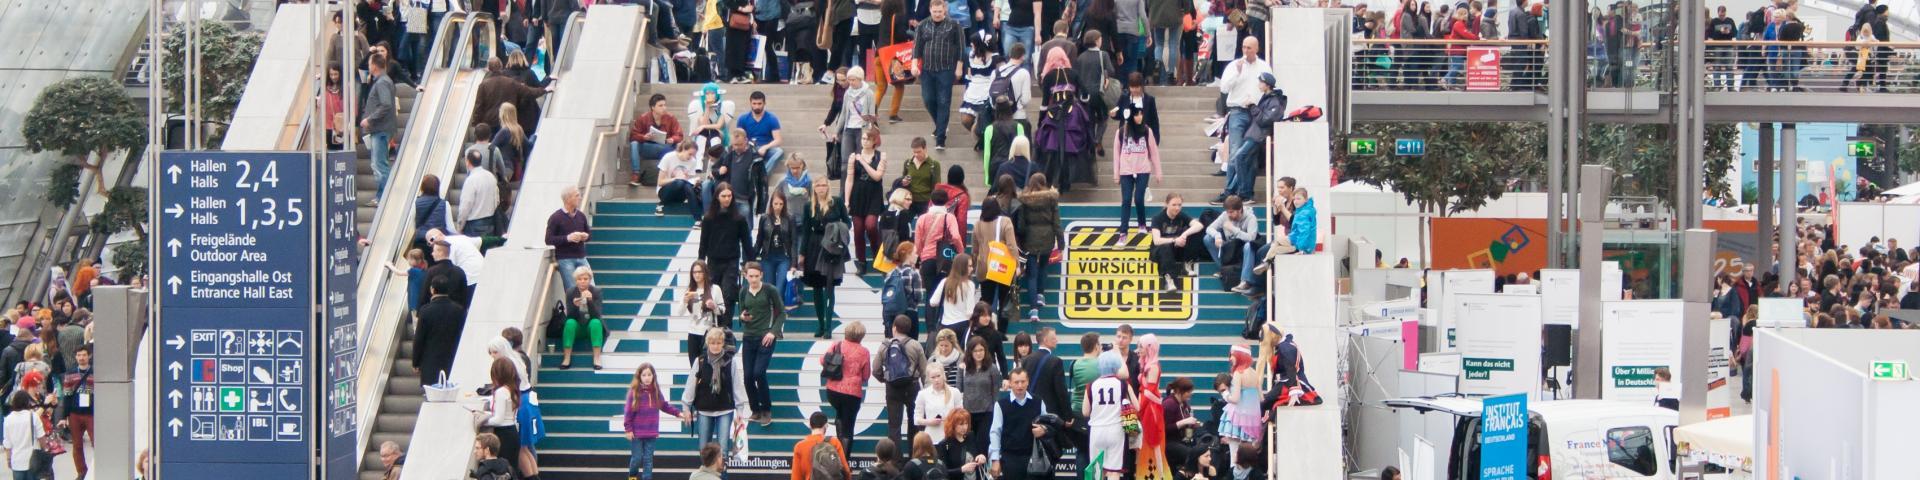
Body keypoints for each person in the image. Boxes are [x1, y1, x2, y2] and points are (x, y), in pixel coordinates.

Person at [1213, 37, 1268, 205]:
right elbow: (1224, 88)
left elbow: (1269, 88)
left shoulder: (1264, 67)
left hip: (1255, 112)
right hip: (1237, 111)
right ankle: (1231, 192)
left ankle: (1246, 193)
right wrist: (1237, 72)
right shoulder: (1233, 66)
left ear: (1256, 49)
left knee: (1250, 153)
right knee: (1235, 152)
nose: (1246, 50)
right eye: (1244, 47)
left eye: (1249, 47)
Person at [683, 327, 750, 459]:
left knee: (723, 450)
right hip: (704, 409)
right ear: (708, 343)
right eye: (712, 343)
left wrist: (740, 410)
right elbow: (691, 385)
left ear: (723, 343)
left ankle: (721, 472)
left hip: (725, 409)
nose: (715, 346)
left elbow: (737, 386)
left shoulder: (730, 362)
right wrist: (686, 407)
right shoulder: (700, 361)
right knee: (704, 449)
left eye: (718, 343)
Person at [801, 177, 852, 334]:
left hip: (831, 246)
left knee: (830, 287)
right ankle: (821, 324)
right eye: (818, 185)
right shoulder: (809, 206)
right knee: (817, 286)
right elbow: (805, 230)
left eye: (824, 185)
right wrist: (802, 253)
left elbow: (848, 222)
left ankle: (829, 326)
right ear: (814, 188)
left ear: (828, 187)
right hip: (814, 245)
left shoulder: (837, 202)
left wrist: (835, 227)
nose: (821, 188)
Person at [737, 262, 785, 425]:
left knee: (758, 373)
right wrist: (742, 317)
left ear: (761, 275)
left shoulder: (770, 290)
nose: (754, 279)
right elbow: (741, 312)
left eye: (756, 276)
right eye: (751, 276)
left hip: (765, 336)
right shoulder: (743, 291)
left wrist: (773, 332)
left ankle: (766, 409)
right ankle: (755, 410)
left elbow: (782, 313)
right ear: (746, 276)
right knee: (748, 376)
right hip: (749, 336)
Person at [700, 182, 755, 324]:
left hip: (731, 261)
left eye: (729, 196)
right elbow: (703, 242)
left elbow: (747, 242)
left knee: (728, 295)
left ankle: (726, 327)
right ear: (717, 197)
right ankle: (714, 327)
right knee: (713, 295)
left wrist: (752, 263)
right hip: (713, 261)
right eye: (723, 196)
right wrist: (700, 262)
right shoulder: (708, 218)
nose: (727, 199)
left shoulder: (739, 219)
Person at [915, 0, 967, 149]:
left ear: (944, 10)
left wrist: (959, 68)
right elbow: (916, 47)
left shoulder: (954, 25)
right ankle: (941, 125)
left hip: (946, 69)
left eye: (940, 11)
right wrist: (914, 65)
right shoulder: (922, 25)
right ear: (930, 10)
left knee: (944, 101)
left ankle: (941, 138)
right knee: (928, 99)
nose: (937, 14)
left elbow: (961, 48)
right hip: (927, 69)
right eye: (935, 11)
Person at [988, 368, 1054, 480]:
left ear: (1028, 381)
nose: (1020, 385)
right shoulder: (1001, 405)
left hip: (1035, 458)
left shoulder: (1038, 402)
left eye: (1023, 381)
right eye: (1016, 382)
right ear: (1010, 383)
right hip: (1010, 459)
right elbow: (995, 433)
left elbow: (1048, 425)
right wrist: (995, 459)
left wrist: (1044, 429)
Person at [875, 315, 929, 445]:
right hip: (912, 386)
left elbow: (875, 369)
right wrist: (927, 390)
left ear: (894, 327)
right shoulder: (916, 345)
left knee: (894, 426)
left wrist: (885, 379)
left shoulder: (885, 346)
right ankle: (914, 453)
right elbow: (925, 371)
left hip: (892, 388)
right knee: (914, 422)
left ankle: (895, 456)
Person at [624, 362, 681, 480]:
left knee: (648, 460)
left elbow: (664, 406)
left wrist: (677, 413)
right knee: (637, 458)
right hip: (637, 434)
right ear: (639, 376)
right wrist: (628, 429)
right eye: (644, 375)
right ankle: (632, 476)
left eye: (649, 375)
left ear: (653, 376)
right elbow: (628, 412)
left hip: (651, 433)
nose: (647, 378)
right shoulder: (634, 392)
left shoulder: (656, 392)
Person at [1112, 102, 1162, 233]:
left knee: (1139, 198)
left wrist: (1158, 172)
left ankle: (1142, 224)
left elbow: (1154, 152)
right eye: (1136, 114)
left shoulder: (1147, 131)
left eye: (1141, 114)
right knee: (1126, 200)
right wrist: (1116, 174)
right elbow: (1116, 154)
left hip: (1143, 170)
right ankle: (1123, 231)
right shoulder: (1121, 132)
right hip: (1126, 171)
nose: (1139, 117)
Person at [847, 129, 890, 274]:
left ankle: (878, 257)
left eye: (867, 139)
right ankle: (861, 261)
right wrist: (846, 200)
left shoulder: (881, 156)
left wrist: (863, 162)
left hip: (874, 194)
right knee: (858, 230)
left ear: (874, 142)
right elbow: (849, 179)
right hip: (857, 194)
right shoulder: (853, 156)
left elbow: (877, 176)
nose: (864, 142)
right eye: (863, 139)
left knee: (871, 226)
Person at [826, 321, 874, 448]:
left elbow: (822, 360)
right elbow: (866, 375)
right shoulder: (864, 352)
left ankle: (839, 427)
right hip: (852, 394)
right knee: (848, 428)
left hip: (832, 391)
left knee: (840, 412)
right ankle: (844, 459)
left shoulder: (837, 345)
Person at [412, 276, 465, 388]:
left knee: (431, 394)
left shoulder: (425, 311)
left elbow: (419, 339)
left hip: (430, 362)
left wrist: (416, 362)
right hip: (453, 360)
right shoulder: (459, 310)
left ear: (432, 289)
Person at [972, 200, 1021, 319]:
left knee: (986, 301)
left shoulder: (977, 224)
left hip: (984, 266)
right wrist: (1017, 265)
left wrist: (974, 265)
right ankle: (1002, 327)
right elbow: (1011, 246)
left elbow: (975, 249)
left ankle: (985, 325)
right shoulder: (1005, 221)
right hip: (1002, 266)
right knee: (1004, 301)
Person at [1085, 351, 1131, 478]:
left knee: (1097, 470)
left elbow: (1085, 412)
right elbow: (1128, 405)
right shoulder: (1122, 384)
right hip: (1116, 430)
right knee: (1114, 471)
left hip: (1096, 430)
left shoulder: (1091, 385)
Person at [474, 357, 524, 473]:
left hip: (503, 435)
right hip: (512, 432)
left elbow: (499, 419)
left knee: (502, 471)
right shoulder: (512, 389)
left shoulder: (501, 392)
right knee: (511, 470)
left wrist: (483, 420)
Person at [825, 67, 877, 176]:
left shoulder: (869, 93)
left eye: (853, 80)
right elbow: (843, 114)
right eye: (849, 80)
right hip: (848, 129)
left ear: (860, 79)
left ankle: (858, 185)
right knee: (845, 161)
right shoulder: (847, 93)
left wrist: (870, 130)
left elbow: (872, 114)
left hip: (862, 130)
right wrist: (836, 131)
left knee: (860, 160)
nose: (851, 82)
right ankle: (844, 186)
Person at [362, 53, 399, 198]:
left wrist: (369, 119)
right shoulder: (384, 81)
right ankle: (380, 195)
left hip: (381, 129)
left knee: (379, 164)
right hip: (382, 128)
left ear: (374, 66)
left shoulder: (382, 82)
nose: (368, 66)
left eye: (369, 63)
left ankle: (385, 197)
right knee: (378, 164)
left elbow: (386, 105)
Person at [914, 188, 968, 287]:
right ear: (946, 200)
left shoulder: (922, 218)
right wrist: (961, 251)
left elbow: (918, 243)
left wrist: (920, 255)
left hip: (927, 259)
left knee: (930, 293)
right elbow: (956, 237)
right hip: (944, 259)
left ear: (931, 200)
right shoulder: (949, 217)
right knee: (944, 292)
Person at [1148, 193, 1205, 287]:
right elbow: (1156, 241)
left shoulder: (1181, 215)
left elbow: (1199, 226)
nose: (1177, 208)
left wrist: (1184, 235)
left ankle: (1187, 264)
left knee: (1194, 232)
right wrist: (1174, 240)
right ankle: (1169, 279)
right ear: (1166, 204)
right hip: (1160, 251)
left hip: (1176, 249)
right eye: (1174, 205)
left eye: (1179, 205)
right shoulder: (1157, 218)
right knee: (1165, 247)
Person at [959, 335, 1002, 455]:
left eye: (981, 350)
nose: (978, 353)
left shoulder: (992, 368)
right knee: (969, 446)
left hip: (986, 412)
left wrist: (994, 410)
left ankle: (982, 466)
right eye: (975, 351)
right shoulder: (963, 368)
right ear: (970, 352)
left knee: (982, 444)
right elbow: (959, 389)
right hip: (968, 412)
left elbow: (996, 390)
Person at [1205, 196, 1261, 289]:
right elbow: (1209, 228)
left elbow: (1251, 238)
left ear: (1240, 210)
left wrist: (1233, 229)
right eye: (1227, 212)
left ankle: (1245, 281)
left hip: (1242, 250)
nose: (1229, 215)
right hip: (1229, 248)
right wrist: (1217, 236)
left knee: (1249, 245)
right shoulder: (1225, 215)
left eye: (1231, 212)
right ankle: (1224, 270)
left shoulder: (1251, 218)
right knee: (1208, 238)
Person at [630, 94, 686, 186]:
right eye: (660, 105)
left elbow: (679, 135)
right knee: (634, 144)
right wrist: (644, 137)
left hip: (665, 148)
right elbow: (633, 135)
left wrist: (672, 139)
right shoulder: (643, 118)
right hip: (649, 148)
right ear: (653, 107)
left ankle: (673, 173)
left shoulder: (671, 118)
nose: (664, 108)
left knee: (678, 146)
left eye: (664, 105)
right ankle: (635, 174)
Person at [678, 261, 727, 364]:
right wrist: (685, 301)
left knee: (707, 365)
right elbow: (680, 312)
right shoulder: (689, 290)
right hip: (693, 332)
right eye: (694, 272)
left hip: (709, 333)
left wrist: (714, 306)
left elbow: (722, 310)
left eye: (700, 272)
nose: (697, 275)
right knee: (694, 365)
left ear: (705, 273)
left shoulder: (715, 289)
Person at [738, 91, 788, 192]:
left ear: (764, 103)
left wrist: (765, 147)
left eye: (759, 103)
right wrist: (748, 146)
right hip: (750, 148)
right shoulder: (743, 119)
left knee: (779, 152)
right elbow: (739, 138)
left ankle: (762, 175)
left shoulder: (771, 118)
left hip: (767, 148)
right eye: (754, 103)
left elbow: (778, 140)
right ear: (750, 103)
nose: (757, 106)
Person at [558, 267, 606, 370]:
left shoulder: (596, 291)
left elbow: (597, 315)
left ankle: (597, 358)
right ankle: (566, 358)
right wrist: (575, 306)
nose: (582, 281)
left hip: (590, 326)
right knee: (570, 323)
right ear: (576, 281)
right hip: (578, 326)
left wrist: (590, 301)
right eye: (579, 279)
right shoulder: (570, 292)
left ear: (590, 280)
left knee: (596, 322)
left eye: (585, 279)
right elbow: (570, 316)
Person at [757, 192, 798, 312]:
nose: (778, 206)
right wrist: (751, 257)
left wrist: (793, 263)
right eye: (775, 204)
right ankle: (771, 314)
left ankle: (777, 315)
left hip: (784, 257)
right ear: (771, 204)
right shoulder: (764, 218)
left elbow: (794, 242)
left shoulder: (790, 218)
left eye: (781, 204)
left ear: (784, 204)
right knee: (769, 288)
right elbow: (759, 240)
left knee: (779, 288)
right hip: (768, 257)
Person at [929, 253, 979, 344]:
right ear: (962, 267)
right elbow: (970, 311)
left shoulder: (945, 281)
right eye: (969, 266)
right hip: (962, 324)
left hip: (945, 324)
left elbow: (933, 302)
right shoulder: (970, 285)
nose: (972, 269)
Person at [880, 242, 927, 340]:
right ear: (908, 255)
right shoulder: (914, 273)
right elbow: (919, 296)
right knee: (910, 344)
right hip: (909, 313)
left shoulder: (890, 273)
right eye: (914, 253)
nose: (917, 255)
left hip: (892, 314)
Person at [546, 186, 593, 279]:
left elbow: (589, 235)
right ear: (568, 199)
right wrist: (568, 238)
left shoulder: (581, 216)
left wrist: (586, 236)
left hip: (582, 257)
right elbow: (548, 240)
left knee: (590, 286)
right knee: (572, 286)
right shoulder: (556, 217)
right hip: (565, 259)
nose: (580, 198)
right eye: (577, 196)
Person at [915, 363, 965, 444]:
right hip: (931, 438)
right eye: (933, 377)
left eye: (938, 376)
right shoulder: (923, 394)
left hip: (951, 437)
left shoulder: (955, 392)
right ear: (929, 378)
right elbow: (917, 419)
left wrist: (950, 420)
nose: (936, 380)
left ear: (943, 375)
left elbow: (961, 415)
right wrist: (930, 422)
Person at [655, 140, 707, 218]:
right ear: (683, 149)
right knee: (679, 182)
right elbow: (660, 182)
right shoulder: (669, 157)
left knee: (687, 185)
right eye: (690, 154)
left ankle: (697, 219)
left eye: (694, 155)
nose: (691, 157)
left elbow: (686, 181)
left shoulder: (692, 161)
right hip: (665, 192)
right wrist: (676, 178)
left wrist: (694, 182)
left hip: (680, 195)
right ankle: (660, 204)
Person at [793, 412, 851, 480]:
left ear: (809, 425)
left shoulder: (800, 446)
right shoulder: (834, 442)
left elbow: (796, 476)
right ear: (826, 425)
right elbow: (846, 471)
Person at [457, 151, 502, 237]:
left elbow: (466, 205)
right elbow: (497, 199)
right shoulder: (491, 176)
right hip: (490, 221)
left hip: (473, 225)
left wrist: (460, 226)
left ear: (467, 162)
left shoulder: (471, 180)